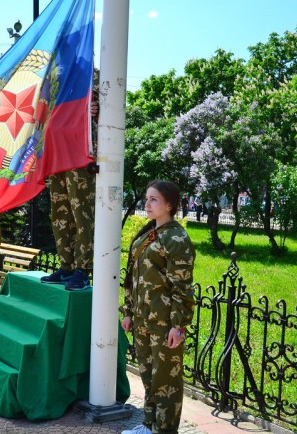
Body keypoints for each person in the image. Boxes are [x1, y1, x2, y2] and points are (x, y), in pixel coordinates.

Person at [120, 180, 196, 434]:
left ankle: (165, 430)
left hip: (164, 323)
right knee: (149, 375)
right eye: (147, 198)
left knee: (167, 380)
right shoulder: (149, 233)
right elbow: (133, 276)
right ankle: (149, 425)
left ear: (169, 205)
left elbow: (182, 287)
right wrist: (128, 311)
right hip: (143, 319)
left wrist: (179, 325)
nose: (147, 203)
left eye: (154, 199)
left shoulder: (176, 238)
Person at [40, 100, 97, 290]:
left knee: (82, 216)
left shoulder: (87, 83)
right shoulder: (56, 85)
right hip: (57, 156)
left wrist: (97, 115)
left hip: (79, 158)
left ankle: (82, 270)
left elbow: (110, 120)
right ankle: (66, 266)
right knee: (60, 217)